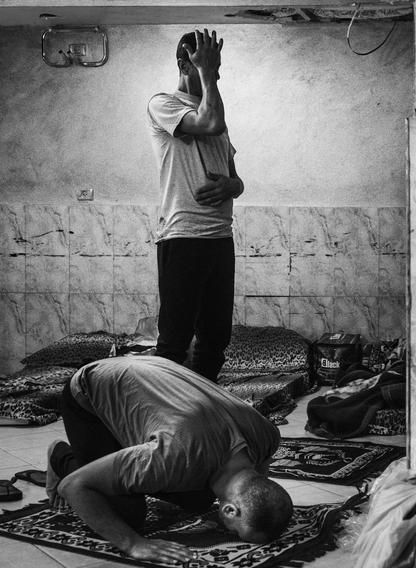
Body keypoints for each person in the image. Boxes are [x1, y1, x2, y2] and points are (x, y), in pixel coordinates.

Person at [46, 356, 293, 564]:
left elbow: (261, 471)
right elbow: (74, 486)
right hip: (89, 392)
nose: (229, 532)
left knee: (198, 499)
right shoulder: (174, 456)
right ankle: (61, 456)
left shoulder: (266, 436)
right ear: (230, 509)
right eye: (234, 530)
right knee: (128, 515)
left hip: (146, 372)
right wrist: (133, 544)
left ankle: (123, 453)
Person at [147, 28, 244, 381]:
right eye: (205, 68)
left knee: (216, 340)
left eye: (216, 70)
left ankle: (204, 409)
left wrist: (231, 186)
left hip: (220, 239)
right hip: (183, 236)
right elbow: (209, 122)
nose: (213, 76)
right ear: (183, 65)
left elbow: (237, 179)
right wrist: (205, 71)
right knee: (174, 340)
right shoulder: (163, 104)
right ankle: (165, 419)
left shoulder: (217, 113)